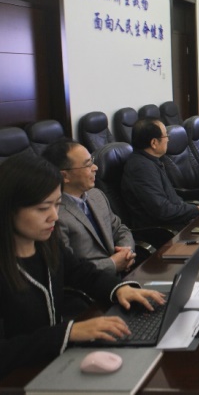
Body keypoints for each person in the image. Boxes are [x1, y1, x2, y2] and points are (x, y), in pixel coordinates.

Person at [0, 153, 164, 377]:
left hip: (52, 362)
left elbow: (83, 273)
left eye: (57, 205)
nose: (54, 216)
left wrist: (120, 289)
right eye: (43, 208)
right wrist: (68, 333)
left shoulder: (47, 243)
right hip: (16, 376)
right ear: (8, 209)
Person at [42, 139, 136, 275]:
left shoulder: (96, 195)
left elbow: (119, 228)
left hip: (123, 274)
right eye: (87, 165)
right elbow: (69, 270)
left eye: (92, 161)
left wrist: (126, 251)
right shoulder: (55, 215)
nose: (95, 167)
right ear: (64, 176)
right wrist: (113, 264)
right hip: (91, 284)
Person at [122, 118, 199, 230]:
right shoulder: (141, 168)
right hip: (163, 230)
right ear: (154, 143)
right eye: (166, 136)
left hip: (176, 220)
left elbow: (168, 197)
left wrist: (192, 209)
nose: (168, 139)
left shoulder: (150, 160)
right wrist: (196, 210)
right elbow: (162, 210)